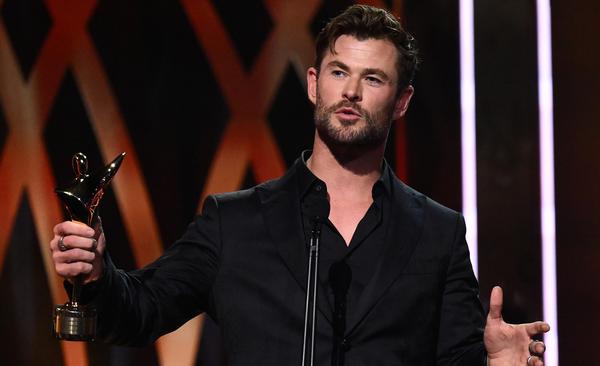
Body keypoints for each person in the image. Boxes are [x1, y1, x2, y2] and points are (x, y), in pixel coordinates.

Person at [49, 5, 549, 366]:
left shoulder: (438, 233)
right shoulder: (235, 221)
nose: (351, 91)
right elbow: (141, 310)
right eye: (339, 72)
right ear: (314, 84)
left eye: (373, 79)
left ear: (401, 101)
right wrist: (96, 274)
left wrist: (497, 365)